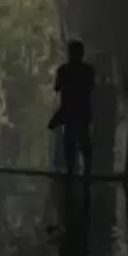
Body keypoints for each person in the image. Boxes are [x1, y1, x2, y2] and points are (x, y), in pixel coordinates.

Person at [50, 40, 96, 178]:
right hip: (83, 110)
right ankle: (87, 172)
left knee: (69, 141)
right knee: (84, 141)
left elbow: (57, 87)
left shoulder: (63, 70)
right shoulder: (88, 70)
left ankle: (71, 171)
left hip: (69, 109)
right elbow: (92, 87)